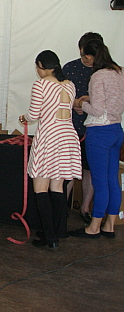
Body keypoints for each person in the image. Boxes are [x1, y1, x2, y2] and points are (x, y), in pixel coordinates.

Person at [18, 50, 81, 249]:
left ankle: (50, 236)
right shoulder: (69, 84)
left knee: (40, 187)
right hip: (68, 136)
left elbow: (34, 114)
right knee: (57, 187)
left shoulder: (41, 84)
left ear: (41, 66)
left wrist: (24, 118)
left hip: (49, 136)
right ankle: (55, 231)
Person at [69, 39, 124, 239]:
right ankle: (109, 225)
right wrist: (89, 99)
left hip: (99, 133)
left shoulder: (97, 76)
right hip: (116, 129)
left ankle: (93, 227)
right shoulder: (120, 71)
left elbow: (98, 110)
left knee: (100, 182)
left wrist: (81, 104)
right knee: (112, 180)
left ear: (89, 57)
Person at [63, 32, 103, 226]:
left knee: (90, 170)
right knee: (68, 169)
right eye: (83, 55)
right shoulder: (70, 68)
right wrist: (75, 104)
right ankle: (62, 207)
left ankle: (85, 208)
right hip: (70, 127)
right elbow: (60, 95)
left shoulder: (103, 71)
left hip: (94, 129)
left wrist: (86, 104)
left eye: (90, 56)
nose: (87, 59)